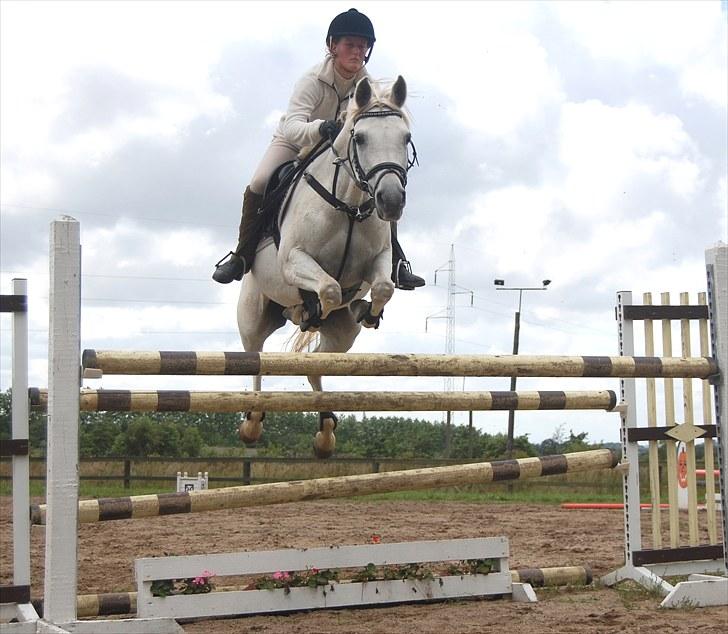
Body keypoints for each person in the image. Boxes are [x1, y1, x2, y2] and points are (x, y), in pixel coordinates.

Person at [212, 8, 425, 290]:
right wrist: (320, 128)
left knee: (380, 184)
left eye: (363, 46)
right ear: (333, 46)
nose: (357, 52)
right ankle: (242, 254)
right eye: (350, 45)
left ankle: (396, 261)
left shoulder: (368, 87)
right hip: (295, 141)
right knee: (260, 181)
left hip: (335, 149)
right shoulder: (311, 80)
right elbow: (293, 127)